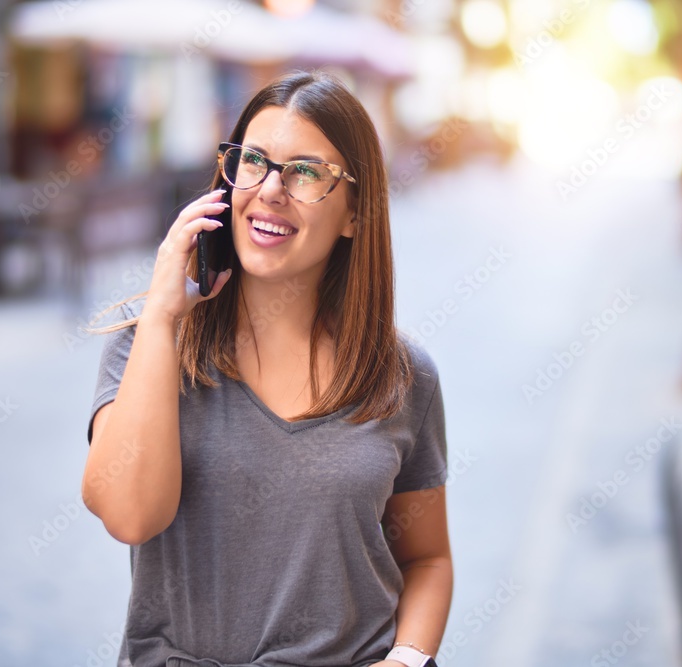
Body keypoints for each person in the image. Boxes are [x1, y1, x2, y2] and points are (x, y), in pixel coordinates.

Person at [83, 69, 452, 667]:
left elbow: (427, 558)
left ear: (356, 215)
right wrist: (160, 319)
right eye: (254, 161)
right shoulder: (146, 345)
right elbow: (128, 514)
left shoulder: (403, 376)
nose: (271, 190)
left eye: (307, 171)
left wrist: (407, 659)